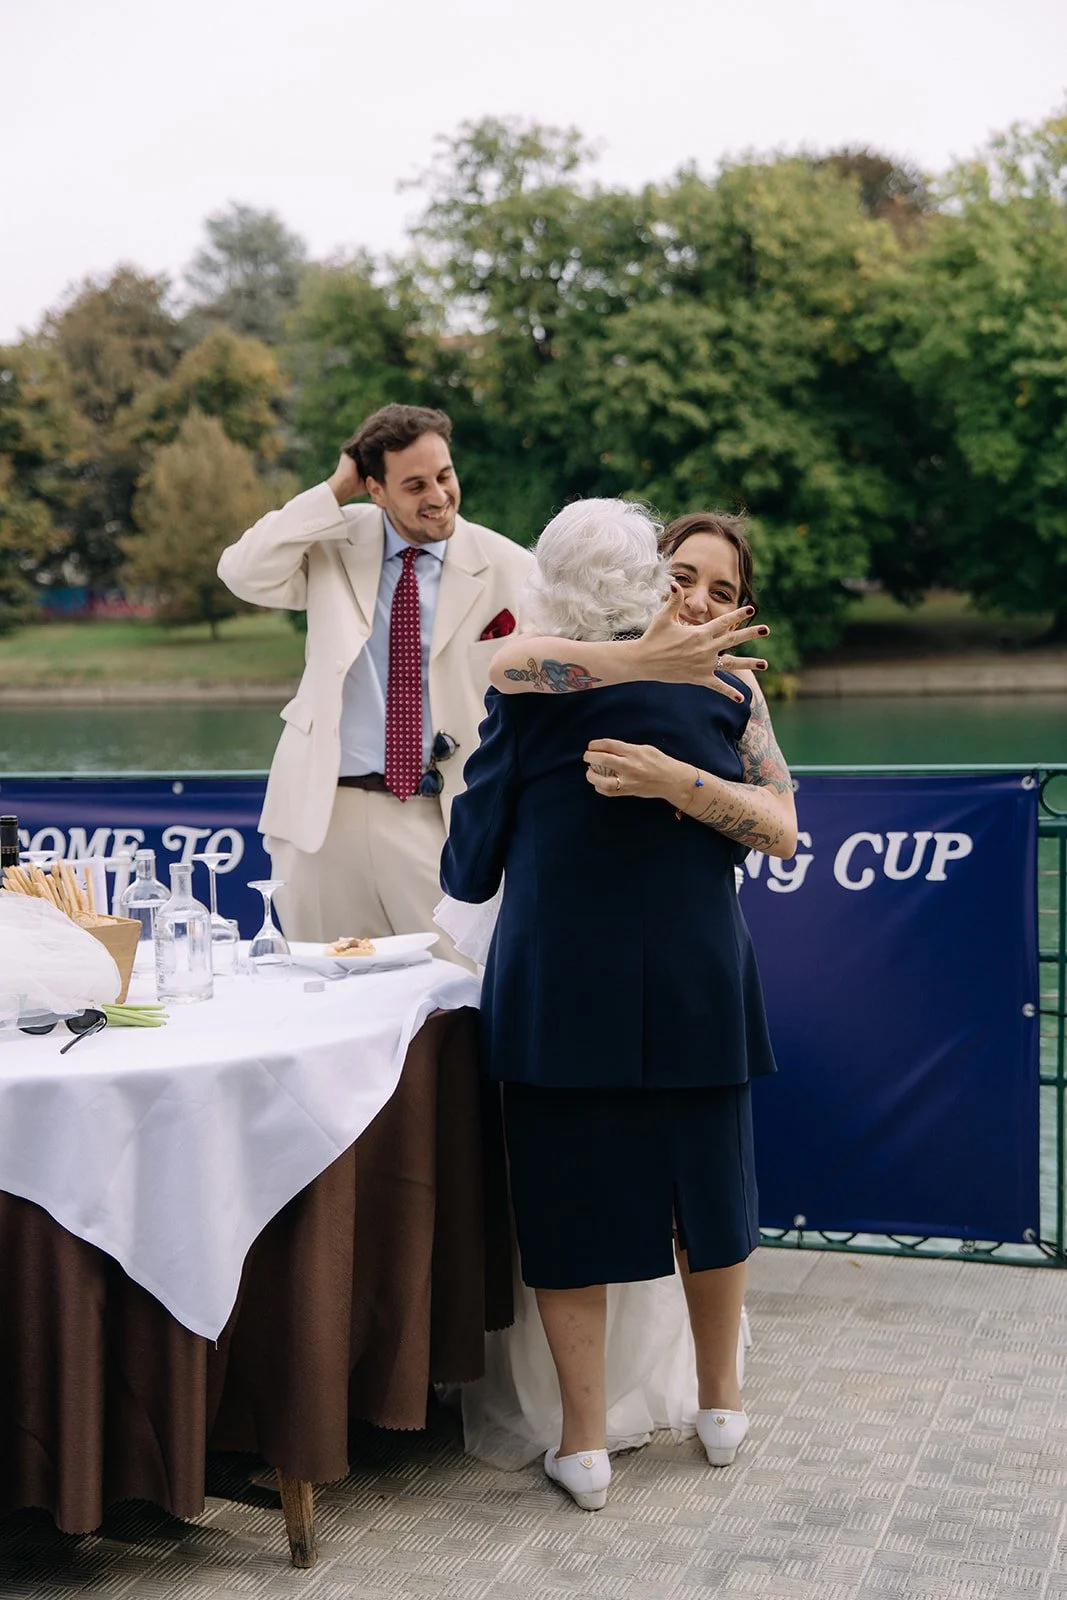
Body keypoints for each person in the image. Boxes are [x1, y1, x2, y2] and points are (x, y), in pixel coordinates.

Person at [440, 499, 796, 1512]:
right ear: (646, 575)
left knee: (610, 1198)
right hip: (679, 972)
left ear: (740, 610)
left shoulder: (579, 687)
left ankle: (616, 1436)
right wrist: (651, 668)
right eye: (680, 575)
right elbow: (506, 665)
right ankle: (671, 1420)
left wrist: (668, 779)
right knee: (682, 1190)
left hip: (574, 976)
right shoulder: (586, 672)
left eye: (721, 591)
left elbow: (779, 827)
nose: (693, 598)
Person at [216, 404, 533, 954]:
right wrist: (335, 488)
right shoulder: (331, 539)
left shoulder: (511, 566)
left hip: (439, 817)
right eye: (413, 485)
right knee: (323, 995)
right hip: (323, 816)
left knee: (455, 994)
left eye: (444, 475)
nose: (436, 495)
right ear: (375, 490)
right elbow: (242, 571)